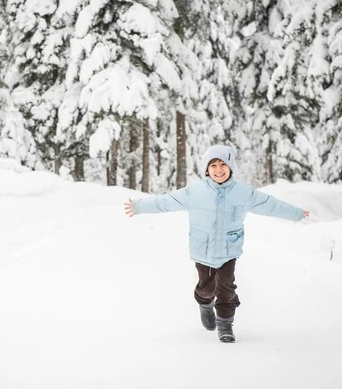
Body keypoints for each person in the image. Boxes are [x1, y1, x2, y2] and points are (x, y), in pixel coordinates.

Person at [123, 145, 310, 343]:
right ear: (207, 169)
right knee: (205, 288)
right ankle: (205, 305)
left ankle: (225, 324)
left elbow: (270, 204)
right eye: (214, 165)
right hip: (202, 250)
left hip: (229, 251)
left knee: (226, 288)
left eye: (223, 164)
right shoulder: (194, 192)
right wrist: (139, 206)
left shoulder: (243, 193)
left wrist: (296, 213)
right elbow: (165, 202)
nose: (219, 170)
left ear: (231, 168)